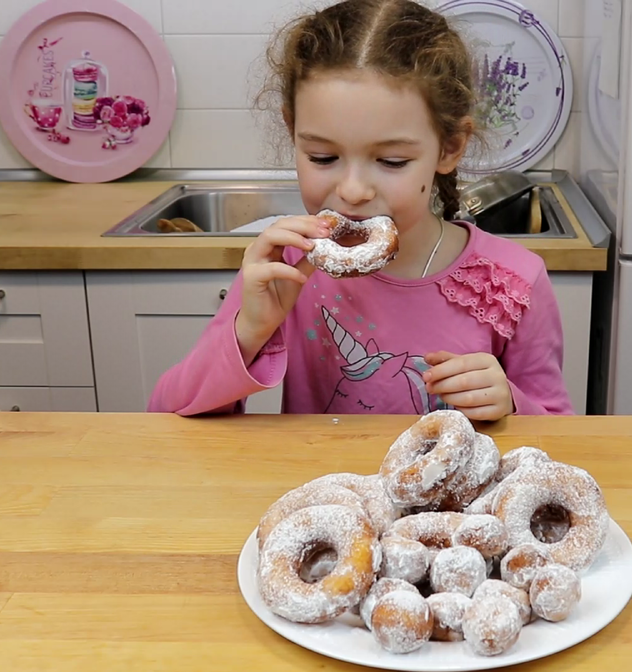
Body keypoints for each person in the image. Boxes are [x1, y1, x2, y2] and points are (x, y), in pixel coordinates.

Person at [148, 0, 572, 420]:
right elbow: (167, 413)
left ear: (449, 147)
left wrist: (513, 404)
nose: (351, 191)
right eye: (321, 156)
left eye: (391, 162)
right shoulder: (287, 268)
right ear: (292, 130)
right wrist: (249, 332)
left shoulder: (513, 282)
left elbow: (561, 437)